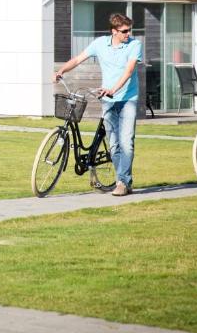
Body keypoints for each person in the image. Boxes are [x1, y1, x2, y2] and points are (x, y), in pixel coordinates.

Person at [55, 13, 142, 196]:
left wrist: (113, 89)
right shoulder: (100, 44)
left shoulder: (134, 45)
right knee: (113, 145)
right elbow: (79, 59)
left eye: (129, 30)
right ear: (114, 31)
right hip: (108, 100)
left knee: (126, 142)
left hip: (128, 99)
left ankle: (122, 182)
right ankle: (124, 180)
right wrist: (61, 70)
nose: (128, 34)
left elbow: (129, 71)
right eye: (125, 31)